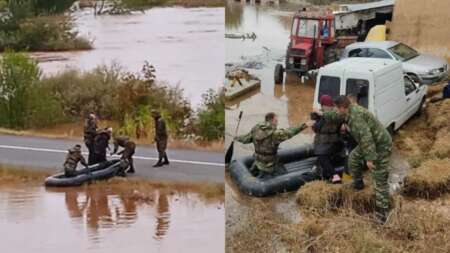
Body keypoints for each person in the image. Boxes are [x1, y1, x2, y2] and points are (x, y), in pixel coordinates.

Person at [320, 95, 392, 223]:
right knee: (353, 159)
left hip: (380, 145)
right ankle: (358, 183)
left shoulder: (356, 117)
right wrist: (322, 114)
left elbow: (366, 137)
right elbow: (335, 116)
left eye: (337, 108)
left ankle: (382, 213)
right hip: (368, 143)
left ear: (342, 108)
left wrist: (370, 159)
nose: (336, 110)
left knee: (379, 176)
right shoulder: (348, 110)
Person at [235, 112, 312, 178]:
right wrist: (304, 125)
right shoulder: (275, 134)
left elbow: (246, 139)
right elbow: (290, 132)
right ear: (273, 121)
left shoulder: (256, 129)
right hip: (269, 165)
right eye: (276, 121)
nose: (277, 123)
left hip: (258, 161)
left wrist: (236, 138)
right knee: (284, 173)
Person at [312, 95, 345, 183]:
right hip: (326, 143)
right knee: (322, 155)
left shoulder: (334, 115)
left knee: (323, 156)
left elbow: (317, 128)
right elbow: (316, 128)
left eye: (330, 106)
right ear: (322, 106)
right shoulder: (317, 115)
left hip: (332, 143)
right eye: (327, 106)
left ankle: (334, 175)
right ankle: (332, 173)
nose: (329, 107)